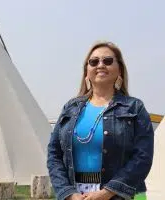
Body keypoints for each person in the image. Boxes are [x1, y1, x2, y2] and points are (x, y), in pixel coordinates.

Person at [47, 41, 154, 200]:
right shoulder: (70, 108)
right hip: (76, 195)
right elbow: (54, 153)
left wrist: (108, 192)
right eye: (94, 61)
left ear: (119, 70)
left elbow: (143, 156)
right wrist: (68, 193)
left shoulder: (134, 108)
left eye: (108, 61)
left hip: (120, 195)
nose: (101, 65)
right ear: (87, 71)